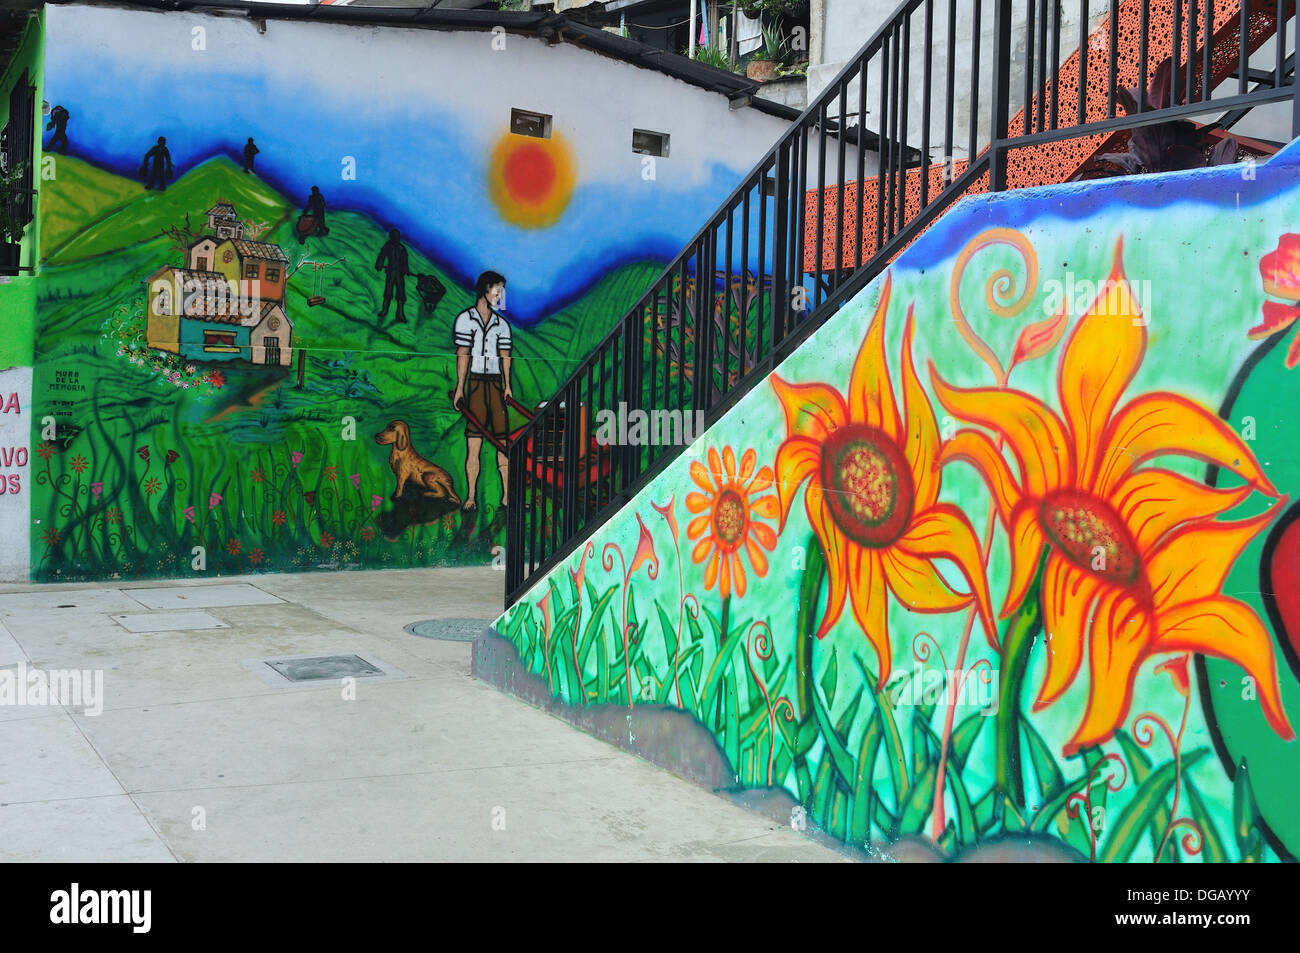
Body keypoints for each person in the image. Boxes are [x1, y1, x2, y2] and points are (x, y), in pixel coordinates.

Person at [452, 271, 512, 513]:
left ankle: (507, 496)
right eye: (498, 290)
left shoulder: (502, 325)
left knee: (502, 443)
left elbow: (506, 357)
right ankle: (471, 497)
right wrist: (459, 389)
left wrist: (507, 386)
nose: (501, 296)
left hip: (496, 385)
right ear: (486, 289)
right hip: (475, 384)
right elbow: (463, 354)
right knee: (473, 442)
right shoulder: (465, 320)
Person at [374, 228, 411, 323]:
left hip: (399, 274)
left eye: (397, 236)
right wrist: (379, 264)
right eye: (395, 236)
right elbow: (382, 256)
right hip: (390, 273)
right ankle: (385, 310)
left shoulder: (402, 248)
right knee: (388, 293)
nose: (397, 238)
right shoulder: (388, 246)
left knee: (401, 294)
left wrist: (406, 270)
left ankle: (400, 314)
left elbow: (405, 261)